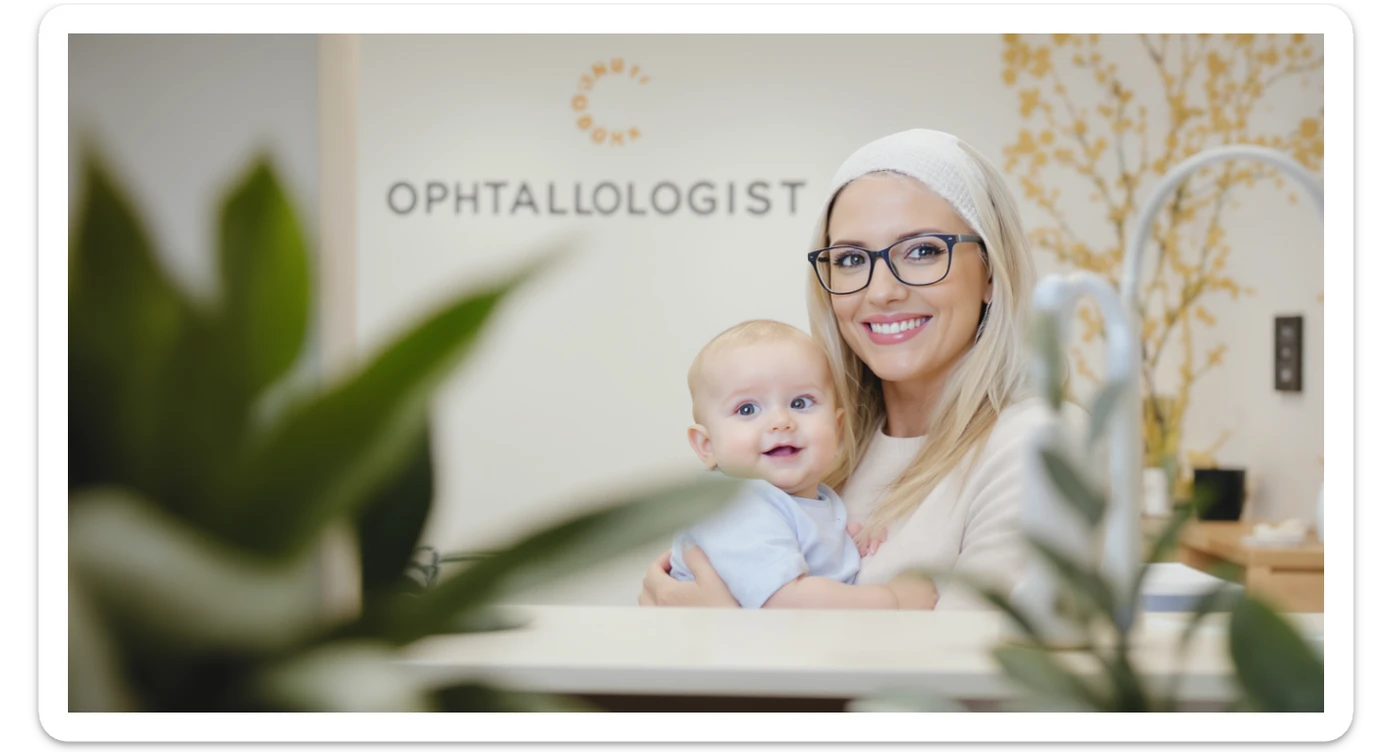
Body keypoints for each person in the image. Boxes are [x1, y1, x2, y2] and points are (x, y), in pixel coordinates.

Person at [640, 128, 1081, 610]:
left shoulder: (1040, 442)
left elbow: (987, 665)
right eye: (851, 259)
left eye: (922, 250)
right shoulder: (817, 450)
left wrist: (727, 628)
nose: (881, 292)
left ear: (991, 272)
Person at [668, 319, 938, 609]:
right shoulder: (735, 507)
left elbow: (812, 554)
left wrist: (849, 543)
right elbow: (785, 601)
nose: (781, 422)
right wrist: (891, 600)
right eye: (747, 409)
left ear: (837, 429)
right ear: (706, 446)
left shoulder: (807, 499)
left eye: (800, 403)